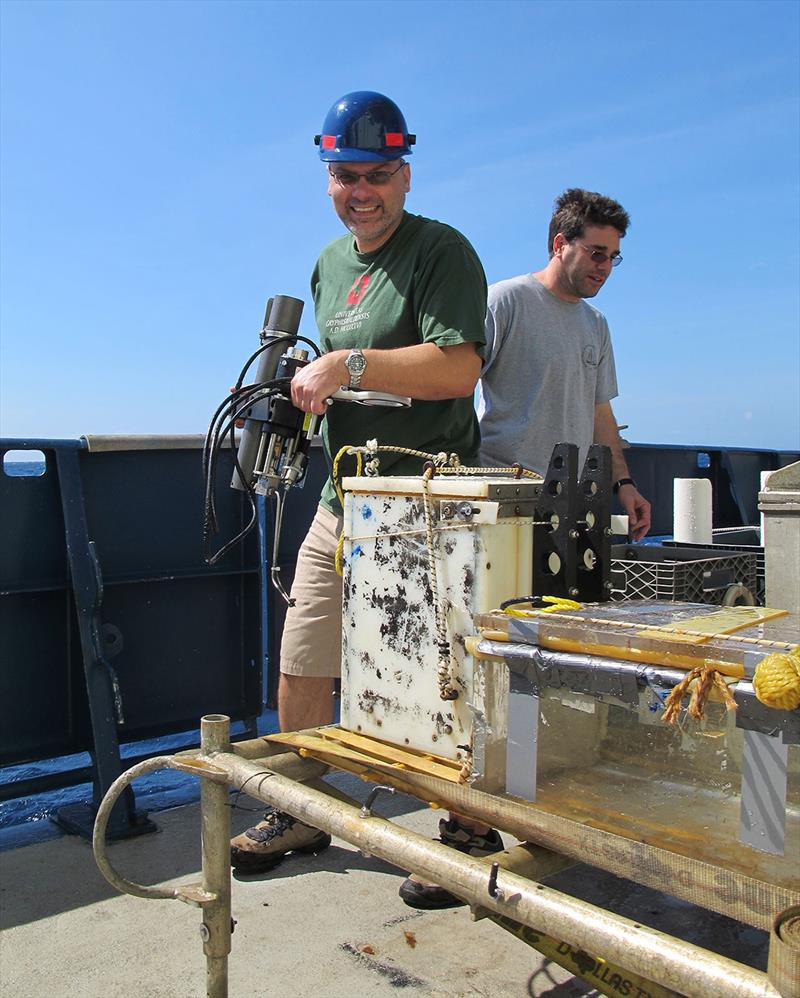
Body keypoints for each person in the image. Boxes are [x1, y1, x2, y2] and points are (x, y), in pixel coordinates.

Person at [230, 92, 503, 897]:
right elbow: (332, 378)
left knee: (443, 669)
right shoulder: (328, 263)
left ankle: (468, 825)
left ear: (406, 175)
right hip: (342, 498)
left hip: (427, 497)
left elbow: (459, 367)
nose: (363, 188)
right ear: (327, 180)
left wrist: (347, 366)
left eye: (379, 173)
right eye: (346, 174)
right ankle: (304, 806)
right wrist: (298, 395)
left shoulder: (441, 251)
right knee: (305, 653)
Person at [479, 188, 651, 540]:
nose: (604, 267)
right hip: (501, 496)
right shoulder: (505, 301)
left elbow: (600, 414)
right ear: (560, 244)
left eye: (613, 258)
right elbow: (456, 385)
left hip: (567, 502)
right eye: (596, 254)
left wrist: (625, 485)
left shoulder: (596, 324)